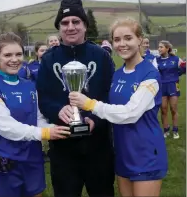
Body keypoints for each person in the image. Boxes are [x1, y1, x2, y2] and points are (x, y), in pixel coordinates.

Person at [69, 18, 168, 197]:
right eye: (117, 39)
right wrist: (92, 117)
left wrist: (90, 104)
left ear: (139, 39)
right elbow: (110, 108)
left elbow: (131, 113)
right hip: (123, 152)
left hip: (145, 154)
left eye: (128, 38)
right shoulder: (117, 74)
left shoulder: (149, 75)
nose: (122, 44)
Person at [37, 0, 115, 197]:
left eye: (76, 22)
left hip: (98, 145)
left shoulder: (101, 56)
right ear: (59, 28)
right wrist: (57, 110)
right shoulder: (48, 59)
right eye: (64, 23)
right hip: (62, 145)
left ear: (85, 26)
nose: (70, 27)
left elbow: (110, 94)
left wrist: (94, 119)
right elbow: (43, 97)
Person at [0, 32, 70, 197]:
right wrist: (45, 133)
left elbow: (37, 119)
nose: (15, 59)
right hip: (4, 160)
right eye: (8, 55)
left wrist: (58, 128)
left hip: (32, 157)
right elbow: (6, 127)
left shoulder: (29, 86)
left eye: (18, 54)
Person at [157, 40, 183, 139]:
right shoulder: (157, 60)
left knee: (173, 108)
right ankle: (166, 130)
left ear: (167, 48)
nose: (159, 49)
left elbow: (183, 68)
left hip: (173, 85)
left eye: (161, 47)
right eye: (159, 47)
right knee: (163, 109)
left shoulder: (176, 59)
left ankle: (175, 130)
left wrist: (179, 72)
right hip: (162, 86)